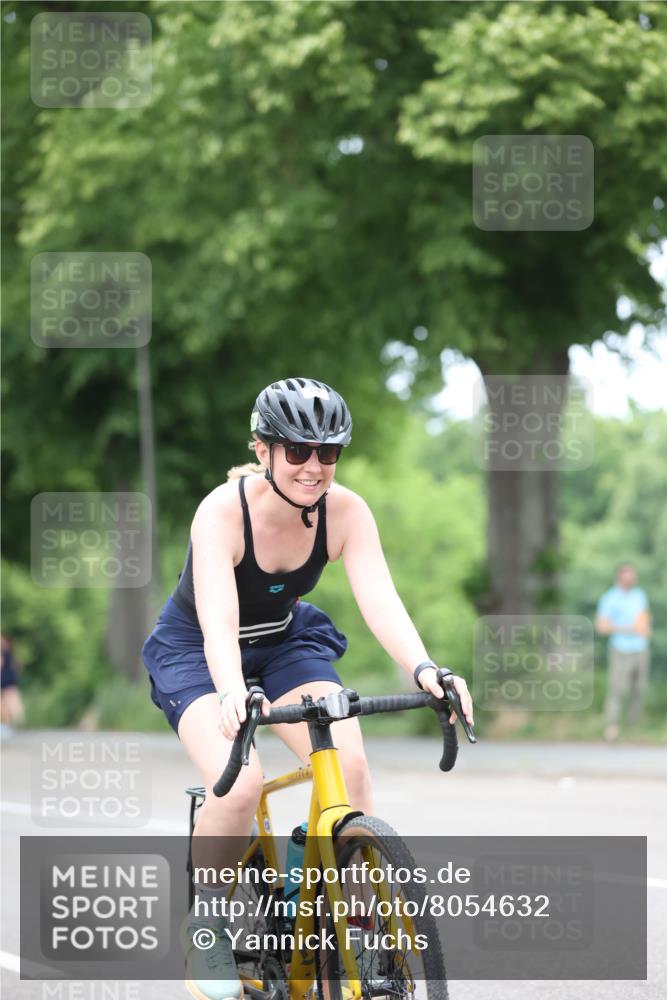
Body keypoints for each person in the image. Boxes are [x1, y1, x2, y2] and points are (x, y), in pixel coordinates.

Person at [142, 377, 474, 1000]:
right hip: (199, 650)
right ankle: (207, 924)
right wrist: (233, 693)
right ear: (262, 450)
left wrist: (427, 669)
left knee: (350, 767)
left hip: (286, 640)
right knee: (241, 783)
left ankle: (341, 920)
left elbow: (380, 598)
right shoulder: (221, 512)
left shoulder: (346, 512)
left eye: (328, 452)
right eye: (297, 450)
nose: (313, 466)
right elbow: (218, 621)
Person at [595, 563, 651, 742]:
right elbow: (602, 627)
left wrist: (643, 628)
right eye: (627, 577)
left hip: (641, 648)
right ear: (620, 577)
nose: (631, 580)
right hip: (620, 648)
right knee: (617, 689)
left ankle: (633, 728)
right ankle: (611, 727)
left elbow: (644, 622)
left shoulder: (640, 595)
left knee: (639, 690)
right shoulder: (610, 598)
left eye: (633, 577)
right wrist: (629, 628)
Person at [1, 634, 25, 733]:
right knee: (8, 704)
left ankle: (9, 725)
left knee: (8, 703)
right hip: (9, 681)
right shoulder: (10, 654)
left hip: (6, 681)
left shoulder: (5, 654)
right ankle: (10, 724)